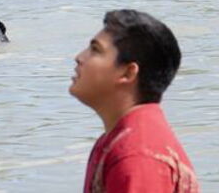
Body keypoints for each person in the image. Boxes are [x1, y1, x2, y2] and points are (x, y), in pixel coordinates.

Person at [70, 10, 199, 193]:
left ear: (128, 73)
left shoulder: (136, 154)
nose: (80, 57)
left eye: (96, 50)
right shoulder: (120, 140)